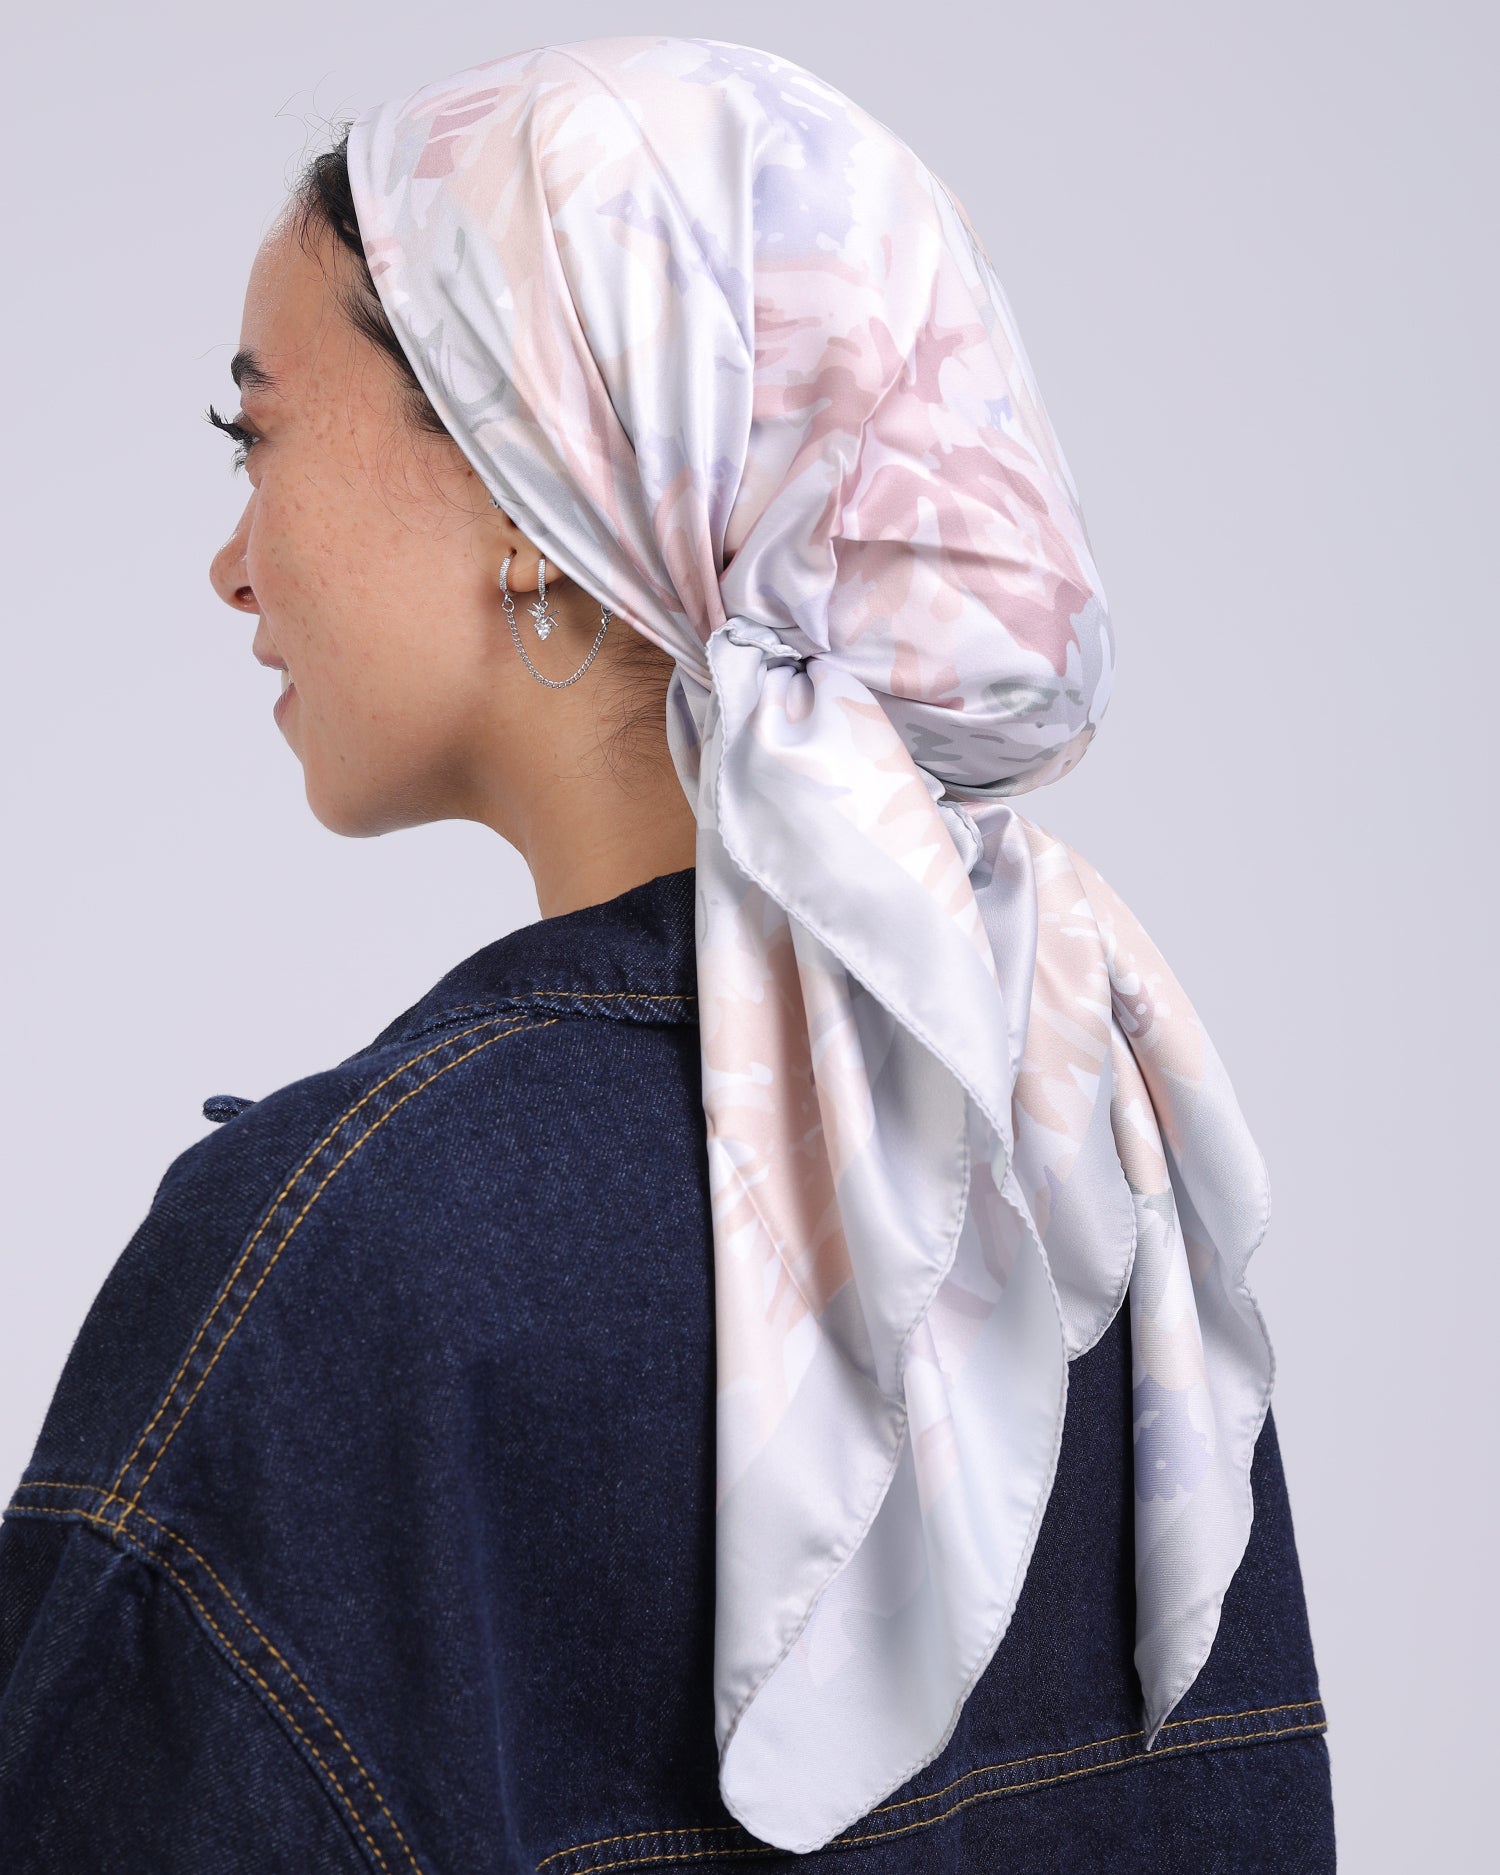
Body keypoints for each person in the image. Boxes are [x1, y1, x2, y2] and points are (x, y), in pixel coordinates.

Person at [0, 36, 1335, 1873]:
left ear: (525, 481)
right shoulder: (1082, 1148)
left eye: (261, 436)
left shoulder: (356, 1265)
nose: (234, 563)